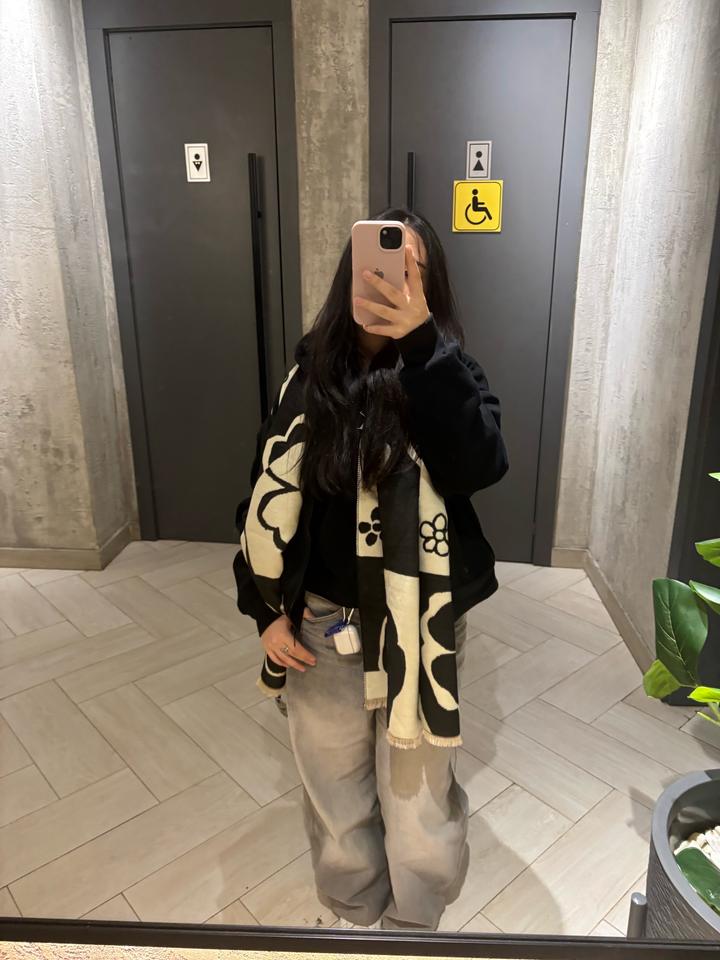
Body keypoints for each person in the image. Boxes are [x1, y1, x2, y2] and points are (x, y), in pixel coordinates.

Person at [233, 207, 508, 931]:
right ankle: (355, 917)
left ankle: (414, 928)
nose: (390, 280)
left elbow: (479, 464)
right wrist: (264, 611)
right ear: (349, 273)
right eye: (377, 264)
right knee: (335, 792)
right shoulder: (308, 379)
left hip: (419, 628)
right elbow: (262, 495)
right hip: (320, 625)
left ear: (429, 284)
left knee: (417, 800)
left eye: (409, 268)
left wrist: (420, 345)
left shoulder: (447, 371)